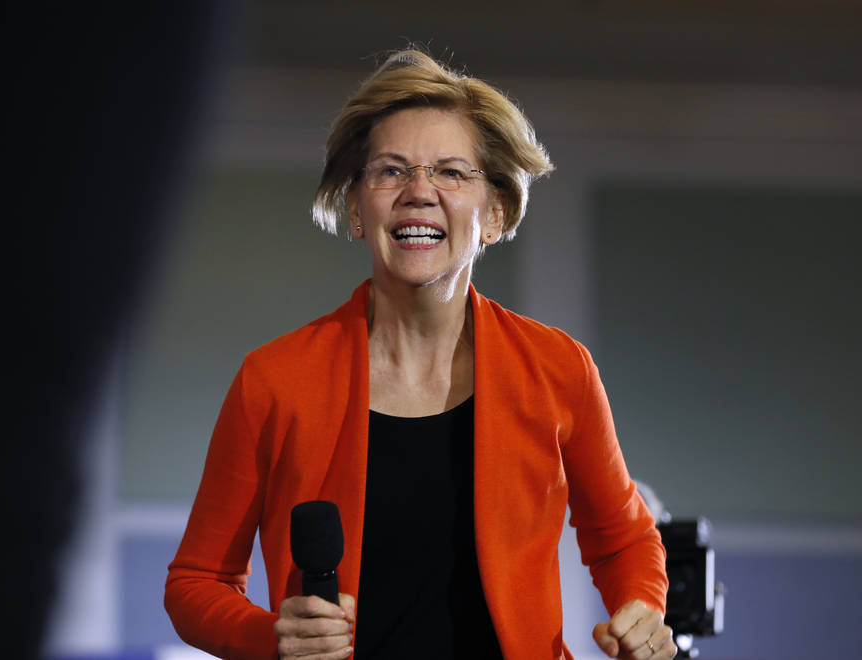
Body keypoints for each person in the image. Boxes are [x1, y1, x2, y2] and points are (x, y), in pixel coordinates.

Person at [165, 48, 675, 660]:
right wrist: (272, 637)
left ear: (496, 214)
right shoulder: (273, 380)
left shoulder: (559, 368)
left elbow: (623, 539)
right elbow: (196, 582)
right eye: (390, 171)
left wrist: (640, 608)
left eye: (451, 172)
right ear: (356, 210)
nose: (418, 192)